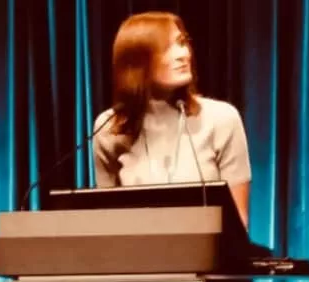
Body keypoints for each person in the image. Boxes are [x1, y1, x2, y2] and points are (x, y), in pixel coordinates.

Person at [93, 11, 251, 228]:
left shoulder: (221, 118)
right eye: (167, 47)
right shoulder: (109, 128)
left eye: (182, 42)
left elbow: (238, 222)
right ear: (137, 61)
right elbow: (107, 223)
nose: (183, 54)